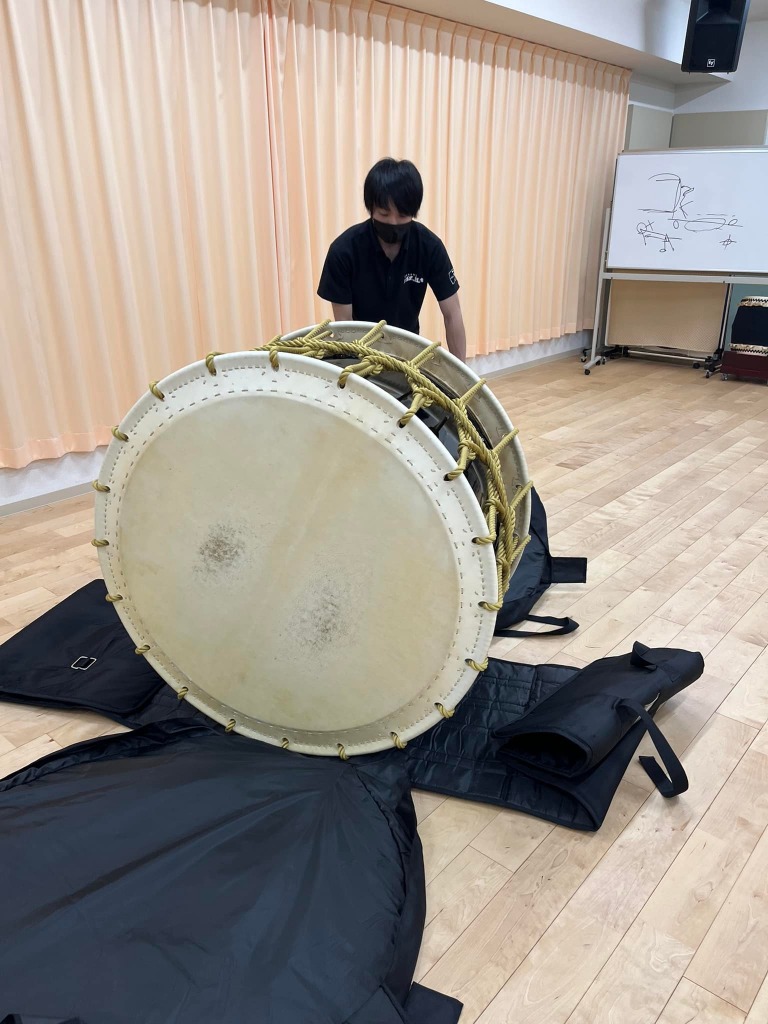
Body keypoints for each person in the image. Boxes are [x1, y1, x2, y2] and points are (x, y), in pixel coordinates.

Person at [317, 158, 467, 361]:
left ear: (414, 212)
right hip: (359, 351)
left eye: (403, 215)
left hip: (407, 353)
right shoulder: (344, 251)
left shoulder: (429, 247)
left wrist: (462, 374)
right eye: (384, 214)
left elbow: (452, 314)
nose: (393, 222)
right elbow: (345, 325)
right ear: (371, 208)